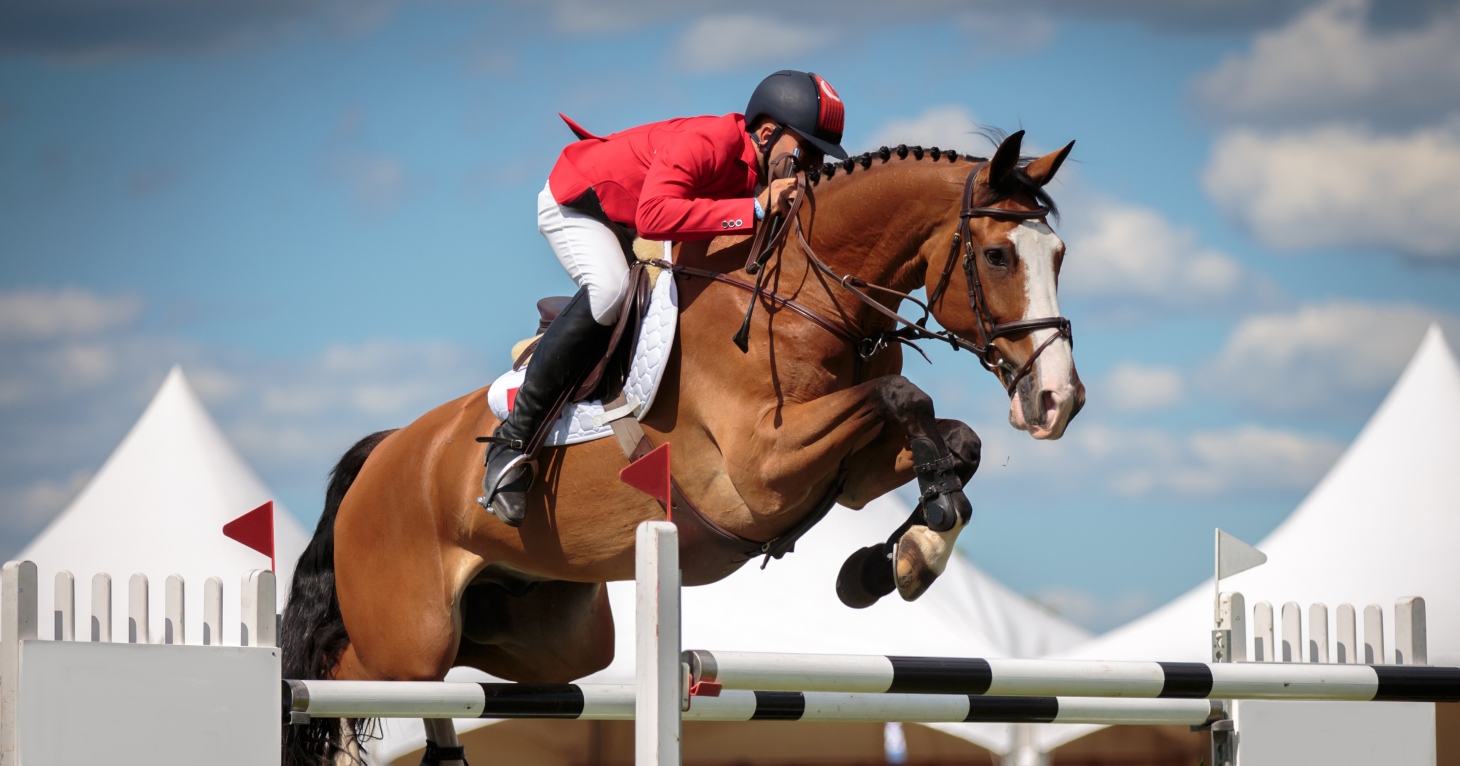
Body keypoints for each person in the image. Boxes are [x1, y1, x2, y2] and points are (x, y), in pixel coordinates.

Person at [480, 69, 850, 527]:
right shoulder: (708, 142)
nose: (812, 167)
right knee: (611, 290)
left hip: (630, 216)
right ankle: (512, 441)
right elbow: (653, 217)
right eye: (806, 152)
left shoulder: (760, 168)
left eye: (820, 158)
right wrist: (755, 208)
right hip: (577, 204)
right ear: (767, 133)